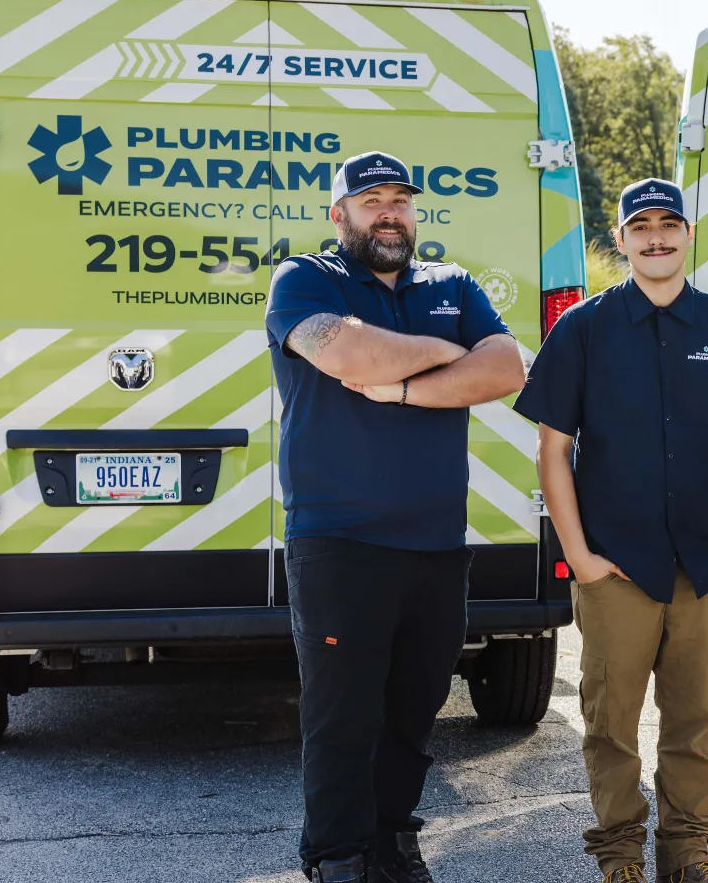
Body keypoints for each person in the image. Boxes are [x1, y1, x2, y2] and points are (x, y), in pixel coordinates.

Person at [513, 178, 708, 883]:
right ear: (621, 240)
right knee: (610, 725)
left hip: (705, 565)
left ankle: (688, 852)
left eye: (669, 224)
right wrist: (580, 556)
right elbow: (553, 450)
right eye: (642, 227)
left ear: (689, 234)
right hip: (617, 569)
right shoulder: (583, 329)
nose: (656, 237)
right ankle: (620, 855)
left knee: (695, 723)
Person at [266, 151, 527, 883]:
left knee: (415, 713)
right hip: (338, 541)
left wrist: (406, 388)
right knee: (342, 716)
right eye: (371, 199)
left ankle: (391, 841)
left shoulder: (452, 283)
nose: (389, 212)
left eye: (400, 201)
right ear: (339, 214)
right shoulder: (304, 281)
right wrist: (449, 355)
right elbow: (350, 351)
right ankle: (338, 857)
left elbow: (507, 369)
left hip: (437, 545)